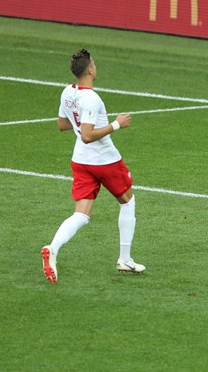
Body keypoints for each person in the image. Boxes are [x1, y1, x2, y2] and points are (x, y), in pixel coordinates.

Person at [41, 49, 144, 283]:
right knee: (128, 201)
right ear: (89, 69)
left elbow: (62, 124)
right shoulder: (91, 98)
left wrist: (80, 121)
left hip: (80, 161)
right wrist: (116, 124)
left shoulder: (68, 92)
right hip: (104, 160)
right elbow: (87, 135)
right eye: (94, 64)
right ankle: (124, 258)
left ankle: (53, 248)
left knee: (82, 214)